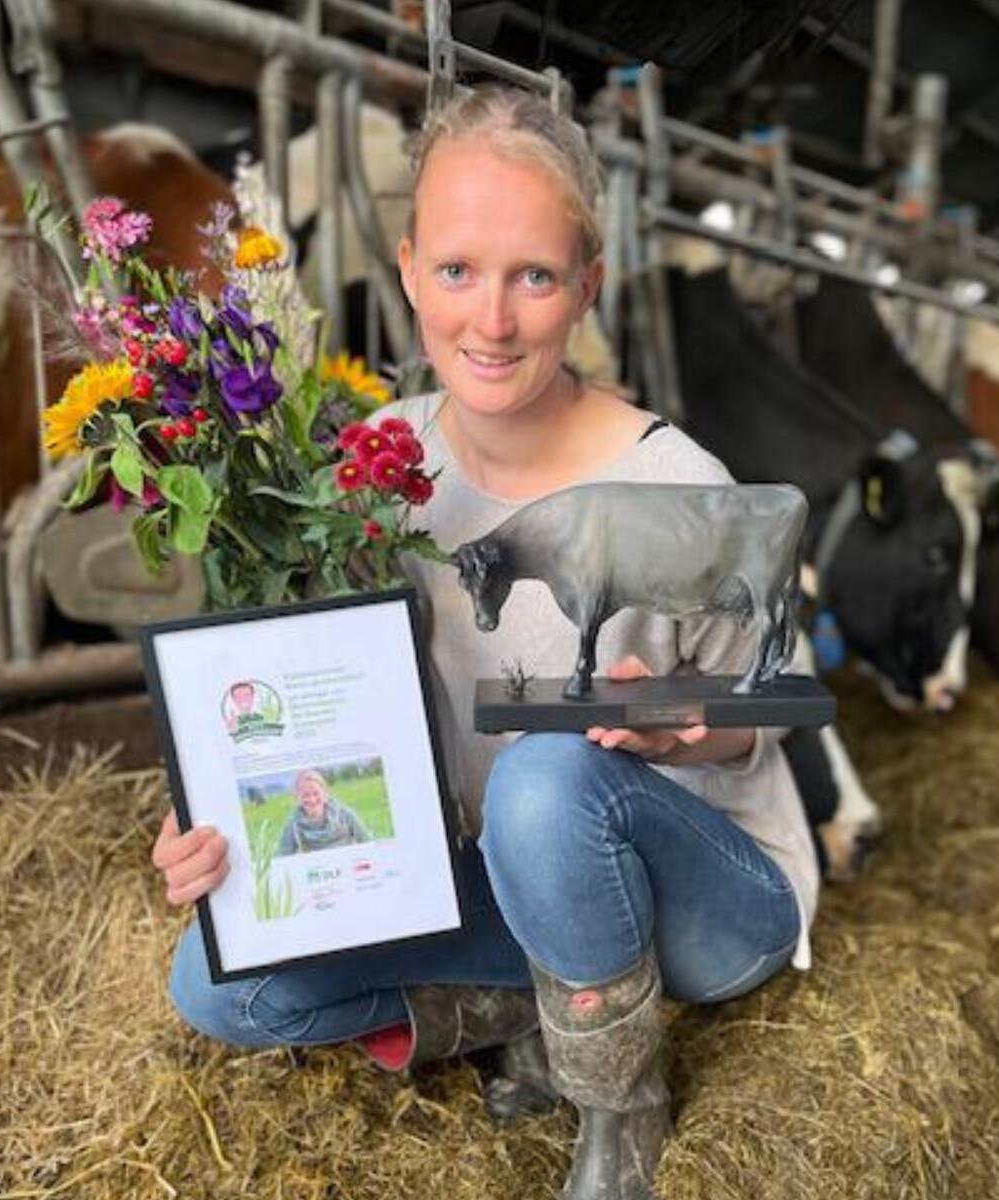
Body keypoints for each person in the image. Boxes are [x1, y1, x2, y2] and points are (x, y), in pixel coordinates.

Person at [151, 85, 818, 1199]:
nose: (492, 321)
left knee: (551, 773)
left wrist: (691, 724)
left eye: (536, 277)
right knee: (217, 984)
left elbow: (779, 703)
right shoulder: (370, 468)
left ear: (587, 288)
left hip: (699, 901)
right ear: (408, 269)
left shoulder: (677, 483)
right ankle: (518, 1006)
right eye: (458, 271)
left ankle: (619, 1105)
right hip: (480, 882)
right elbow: (314, 694)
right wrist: (223, 800)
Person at [275, 768, 372, 856]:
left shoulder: (346, 814)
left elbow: (367, 842)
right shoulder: (293, 825)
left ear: (325, 793)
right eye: (305, 795)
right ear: (297, 798)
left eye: (316, 793)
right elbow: (284, 857)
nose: (312, 800)